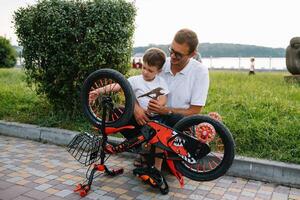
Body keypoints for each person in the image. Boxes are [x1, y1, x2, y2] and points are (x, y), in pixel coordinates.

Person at [134, 28, 210, 171]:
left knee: (171, 165)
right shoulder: (162, 63)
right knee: (122, 112)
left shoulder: (200, 72)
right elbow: (136, 85)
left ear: (192, 54)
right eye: (171, 50)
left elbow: (195, 111)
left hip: (178, 123)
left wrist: (166, 110)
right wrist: (136, 108)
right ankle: (144, 151)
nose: (173, 57)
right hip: (152, 118)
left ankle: (156, 157)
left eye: (179, 54)